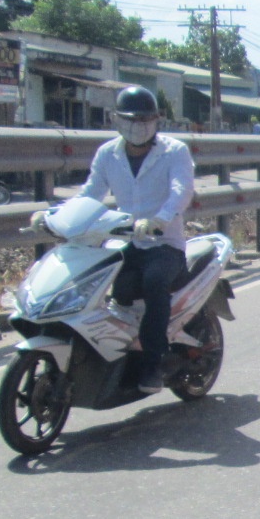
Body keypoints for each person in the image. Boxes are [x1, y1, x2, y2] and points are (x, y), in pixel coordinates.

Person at [74, 85, 195, 393]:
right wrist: (55, 216)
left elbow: (181, 191)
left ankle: (154, 363)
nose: (138, 126)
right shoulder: (107, 154)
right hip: (125, 242)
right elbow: (90, 194)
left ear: (156, 121)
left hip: (164, 244)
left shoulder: (175, 151)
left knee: (154, 283)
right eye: (131, 119)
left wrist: (160, 220)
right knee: (106, 288)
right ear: (117, 120)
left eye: (145, 120)